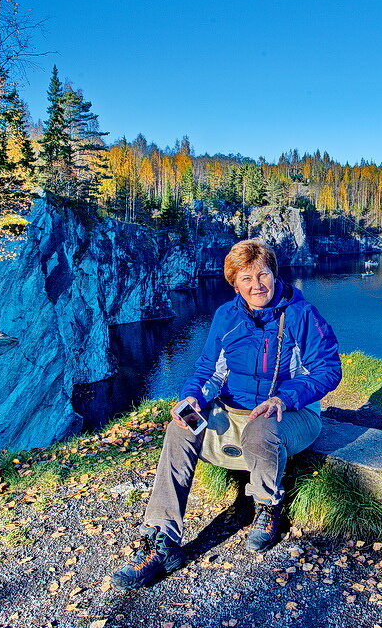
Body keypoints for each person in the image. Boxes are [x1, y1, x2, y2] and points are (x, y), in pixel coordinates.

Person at [112, 239, 341, 589]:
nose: (256, 285)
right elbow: (208, 371)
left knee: (262, 429)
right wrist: (191, 398)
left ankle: (267, 506)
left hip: (291, 414)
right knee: (180, 429)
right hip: (233, 412)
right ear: (234, 283)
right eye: (245, 279)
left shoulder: (302, 314)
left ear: (274, 274)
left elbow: (326, 370)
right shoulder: (226, 316)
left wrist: (284, 397)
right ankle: (162, 539)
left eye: (263, 275)